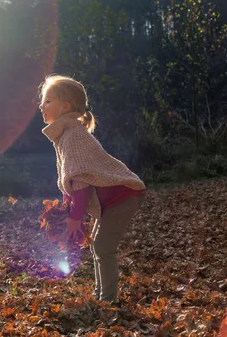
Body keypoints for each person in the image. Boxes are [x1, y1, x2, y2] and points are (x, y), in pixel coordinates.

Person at [38, 74, 146, 304]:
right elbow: (70, 182)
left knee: (103, 247)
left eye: (48, 101)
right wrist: (68, 212)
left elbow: (81, 182)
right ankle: (101, 296)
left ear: (66, 106)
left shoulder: (73, 135)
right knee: (98, 246)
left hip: (123, 195)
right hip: (112, 199)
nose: (41, 106)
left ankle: (108, 300)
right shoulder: (64, 135)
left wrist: (76, 218)